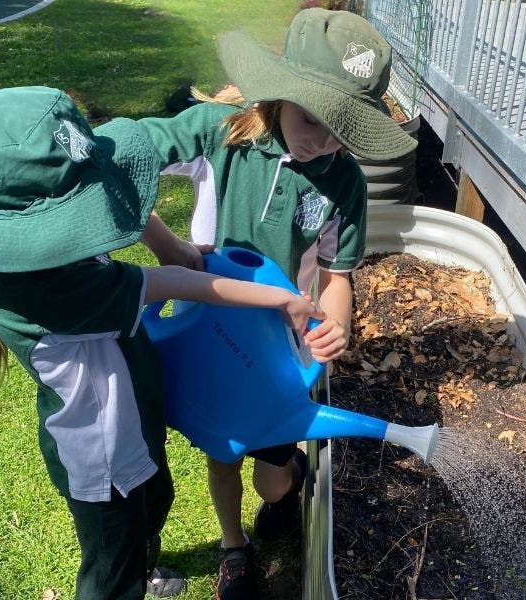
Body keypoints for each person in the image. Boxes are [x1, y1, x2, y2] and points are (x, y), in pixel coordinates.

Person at [0, 86, 325, 600]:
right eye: (86, 203)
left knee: (155, 500)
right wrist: (278, 299)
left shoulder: (43, 256)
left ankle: (144, 565)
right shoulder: (56, 293)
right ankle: (128, 580)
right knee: (110, 568)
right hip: (103, 454)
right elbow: (181, 285)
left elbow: (119, 202)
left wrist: (169, 243)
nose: (101, 214)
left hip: (133, 418)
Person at [137, 8, 417, 599]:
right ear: (277, 93)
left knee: (270, 478)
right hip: (207, 327)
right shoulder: (220, 137)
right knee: (222, 446)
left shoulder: (344, 182)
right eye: (314, 118)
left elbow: (338, 276)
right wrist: (166, 243)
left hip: (281, 345)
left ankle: (287, 481)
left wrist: (336, 320)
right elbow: (117, 167)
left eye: (345, 128)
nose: (326, 140)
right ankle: (233, 546)